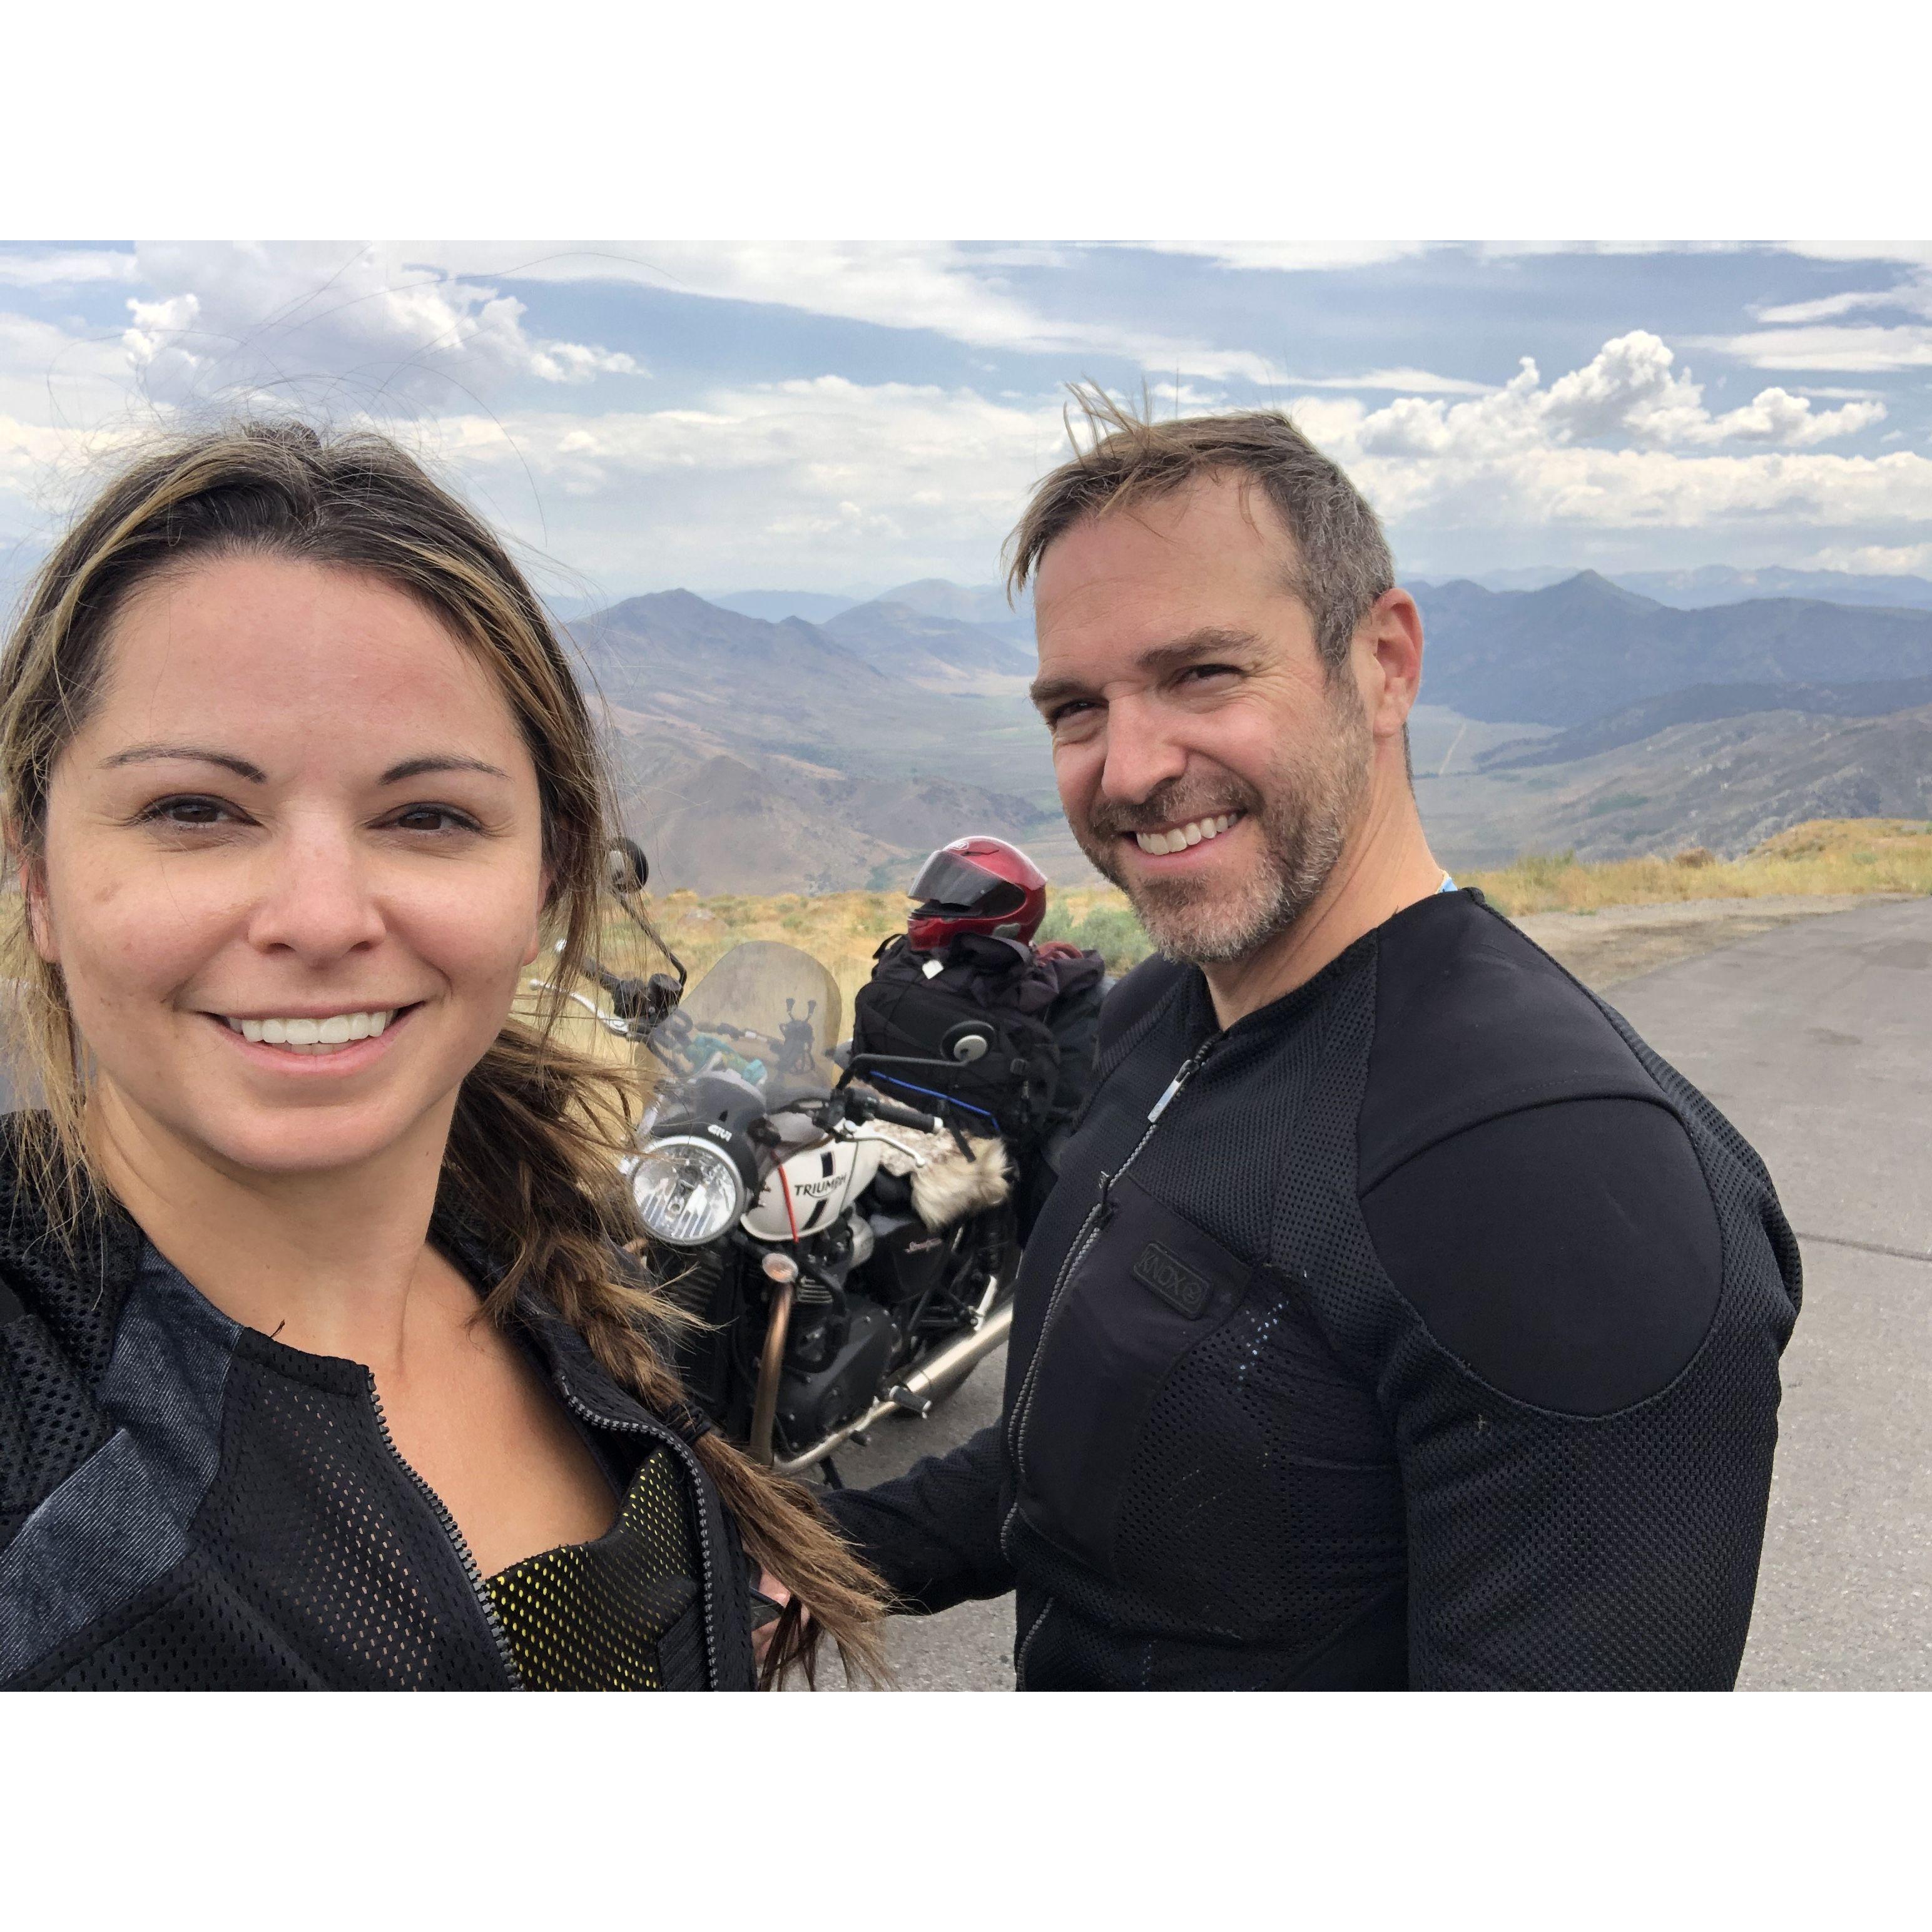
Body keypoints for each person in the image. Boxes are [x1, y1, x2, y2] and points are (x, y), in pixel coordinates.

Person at [820, 394, 1802, 1690]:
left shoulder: (1559, 1177)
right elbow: (1076, 1441)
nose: (1123, 769)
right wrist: (796, 1549)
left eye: (1202, 673)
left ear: (1381, 662)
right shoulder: (1156, 1015)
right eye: (1073, 707)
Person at [0, 420, 884, 1692]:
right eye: (194, 809)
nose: (319, 914)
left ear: (546, 875)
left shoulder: (527, 1249)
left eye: (428, 815)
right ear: (39, 871)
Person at [852, 835, 1106, 1233]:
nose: (934, 906)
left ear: (1004, 911)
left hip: (968, 1137)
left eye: (955, 898)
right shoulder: (916, 962)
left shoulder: (1017, 989)